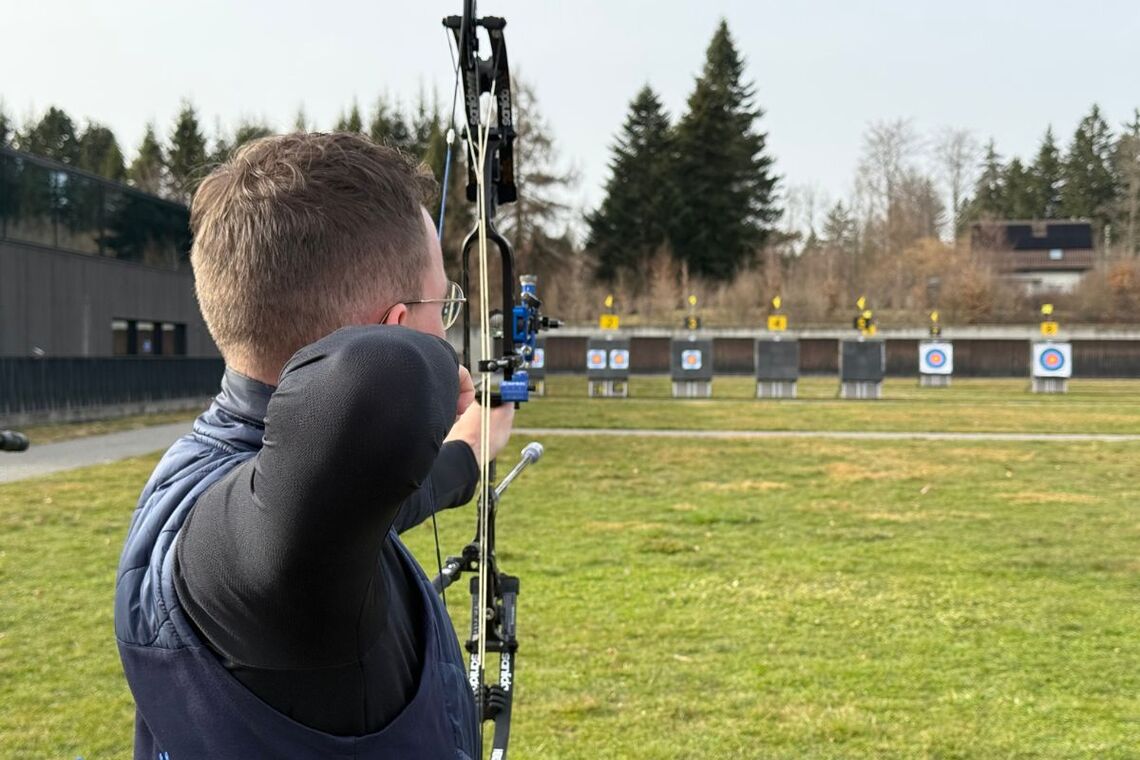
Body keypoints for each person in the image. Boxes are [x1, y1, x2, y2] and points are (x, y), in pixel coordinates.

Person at [114, 132, 513, 759]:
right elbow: (381, 394)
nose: (451, 328)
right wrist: (431, 363)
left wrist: (470, 445)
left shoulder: (216, 464)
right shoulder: (264, 556)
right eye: (446, 304)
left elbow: (385, 495)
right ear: (397, 330)